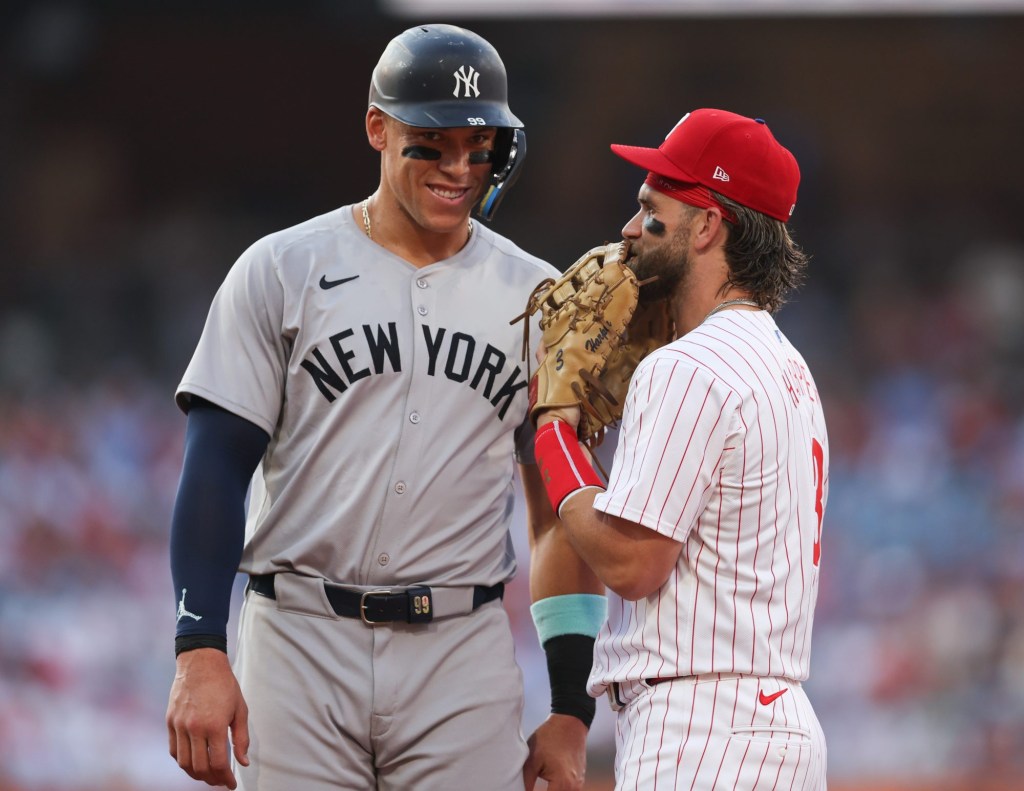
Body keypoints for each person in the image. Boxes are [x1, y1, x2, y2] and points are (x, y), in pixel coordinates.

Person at [164, 24, 604, 791]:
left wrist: (570, 704)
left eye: (479, 145)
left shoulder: (544, 300)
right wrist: (198, 645)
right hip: (299, 640)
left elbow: (554, 516)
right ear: (378, 127)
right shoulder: (282, 269)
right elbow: (215, 467)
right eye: (431, 142)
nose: (458, 166)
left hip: (458, 654)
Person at [530, 108, 829, 789]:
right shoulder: (789, 364)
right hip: (771, 725)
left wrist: (555, 433)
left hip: (705, 730)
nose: (631, 231)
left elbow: (631, 563)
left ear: (708, 225)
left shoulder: (688, 366)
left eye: (650, 208)